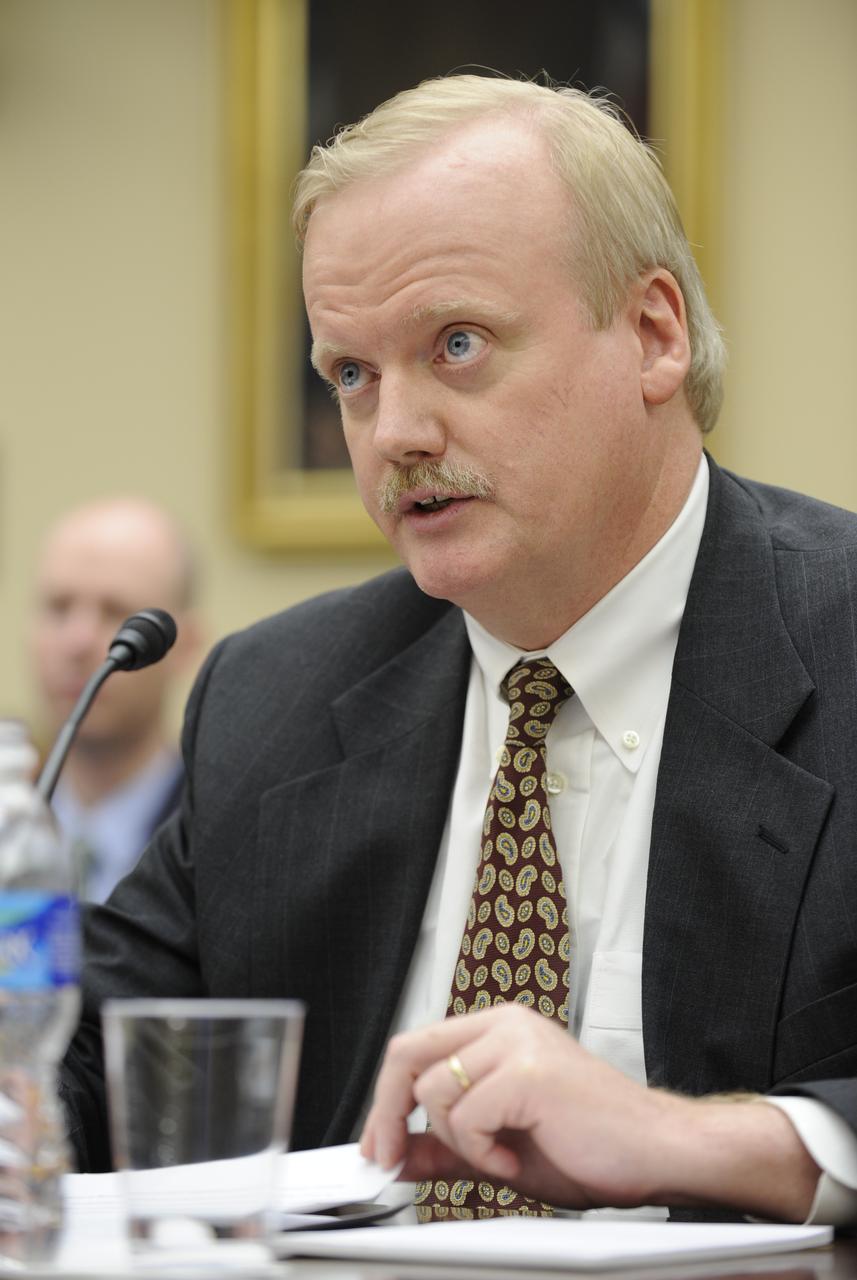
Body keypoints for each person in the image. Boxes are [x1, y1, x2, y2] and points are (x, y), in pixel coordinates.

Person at [59, 76, 857, 1226]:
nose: (396, 433)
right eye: (351, 374)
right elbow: (90, 1060)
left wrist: (694, 1137)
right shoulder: (278, 696)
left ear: (651, 334)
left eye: (458, 344)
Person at [30, 497, 202, 901]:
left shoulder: (216, 836)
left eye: (116, 612)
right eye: (58, 608)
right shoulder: (12, 821)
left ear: (184, 645)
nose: (78, 641)